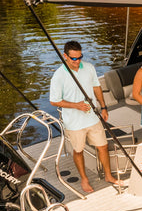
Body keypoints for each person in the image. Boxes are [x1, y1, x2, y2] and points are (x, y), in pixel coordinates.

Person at [49, 40, 124, 193]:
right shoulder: (58, 76)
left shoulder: (89, 68)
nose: (77, 61)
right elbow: (54, 101)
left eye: (80, 57)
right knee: (79, 150)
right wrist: (76, 105)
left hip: (92, 117)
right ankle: (84, 178)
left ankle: (109, 176)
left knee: (103, 146)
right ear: (65, 56)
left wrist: (103, 107)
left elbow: (97, 87)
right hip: (74, 123)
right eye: (74, 58)